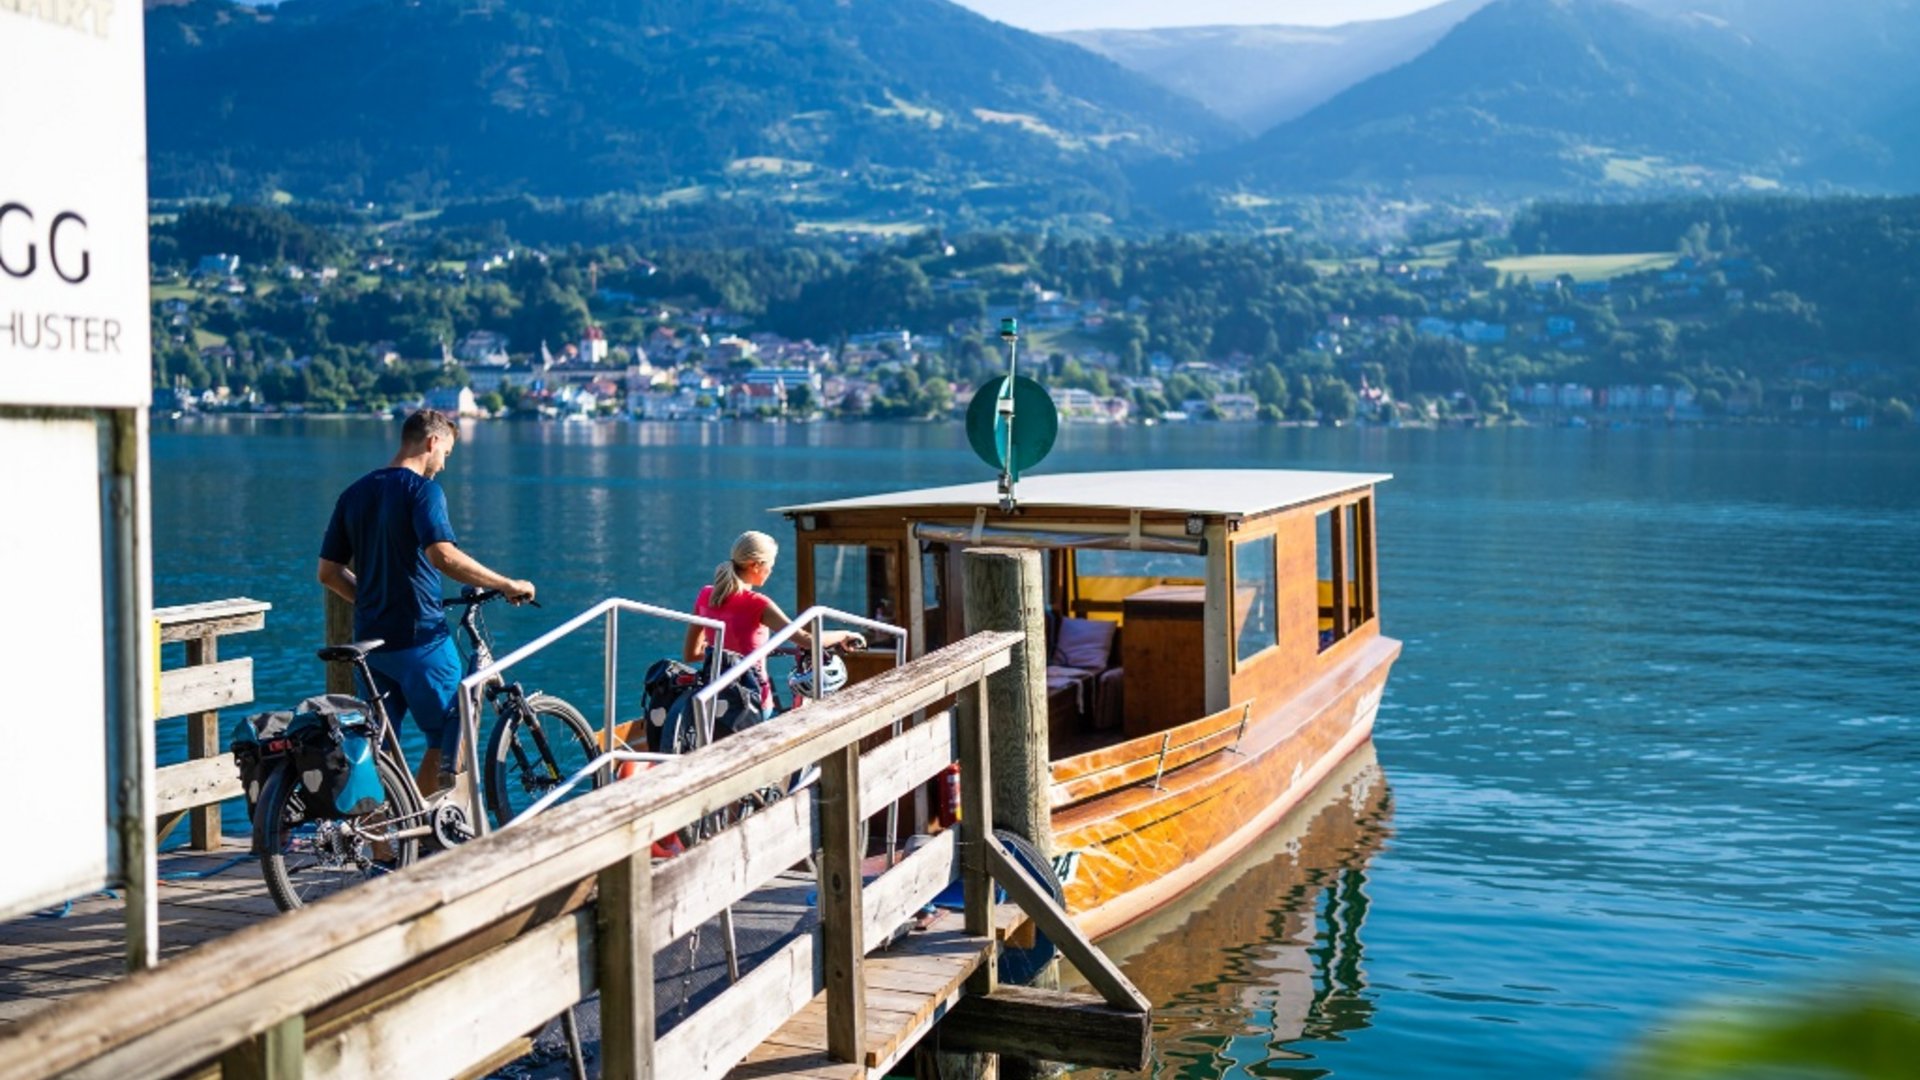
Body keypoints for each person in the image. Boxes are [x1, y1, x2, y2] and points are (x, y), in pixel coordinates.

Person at [317, 409, 535, 799]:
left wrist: (369, 602)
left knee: (379, 745)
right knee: (454, 731)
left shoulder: (354, 493)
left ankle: (385, 840)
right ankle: (418, 822)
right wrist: (506, 583)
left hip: (371, 643)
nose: (443, 465)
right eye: (447, 454)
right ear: (432, 442)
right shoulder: (423, 490)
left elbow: (328, 574)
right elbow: (443, 557)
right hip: (421, 640)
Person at [683, 530, 863, 713]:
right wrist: (845, 634)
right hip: (753, 701)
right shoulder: (758, 604)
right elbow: (806, 639)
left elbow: (691, 654)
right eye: (770, 564)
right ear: (756, 565)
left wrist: (728, 655)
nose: (771, 570)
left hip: (714, 701)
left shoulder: (706, 595)